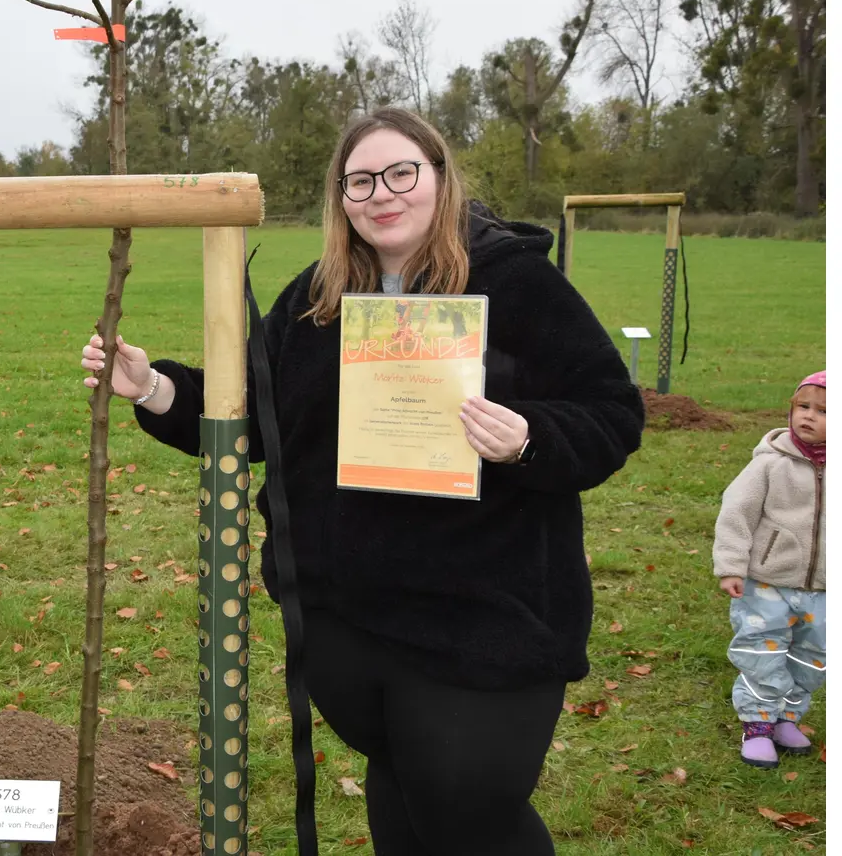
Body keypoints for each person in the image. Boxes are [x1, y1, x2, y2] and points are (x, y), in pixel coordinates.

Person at [79, 107, 645, 854]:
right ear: (340, 199)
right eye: (360, 181)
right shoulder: (318, 298)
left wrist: (530, 438)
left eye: (401, 172)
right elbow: (251, 413)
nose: (382, 193)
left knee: (470, 817)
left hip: (480, 630)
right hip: (349, 625)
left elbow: (611, 411)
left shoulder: (517, 287)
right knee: (402, 800)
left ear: (440, 179)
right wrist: (153, 385)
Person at [712, 371, 826, 769]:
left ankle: (786, 718)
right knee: (761, 651)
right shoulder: (770, 465)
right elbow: (736, 513)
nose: (809, 417)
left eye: (824, 411)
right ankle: (757, 725)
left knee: (813, 656)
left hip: (824, 590)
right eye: (804, 407)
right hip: (767, 584)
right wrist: (730, 566)